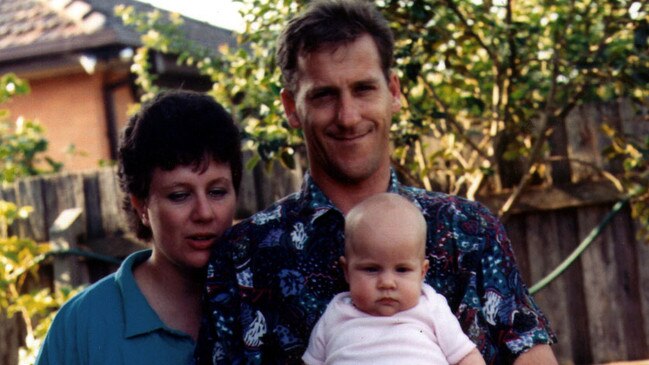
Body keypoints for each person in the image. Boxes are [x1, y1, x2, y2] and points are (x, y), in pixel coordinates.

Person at [195, 0, 558, 364]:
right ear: (291, 107)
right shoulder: (245, 256)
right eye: (324, 95)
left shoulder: (471, 232)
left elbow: (532, 356)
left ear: (394, 92)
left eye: (364, 89)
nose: (348, 117)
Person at [36, 90, 243, 365]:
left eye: (217, 192)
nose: (204, 213)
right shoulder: (82, 326)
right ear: (141, 206)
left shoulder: (269, 300)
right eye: (179, 195)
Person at [302, 193, 485, 365]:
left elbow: (466, 356)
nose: (387, 283)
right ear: (347, 271)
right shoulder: (336, 312)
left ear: (422, 272)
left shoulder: (431, 306)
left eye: (402, 269)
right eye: (371, 269)